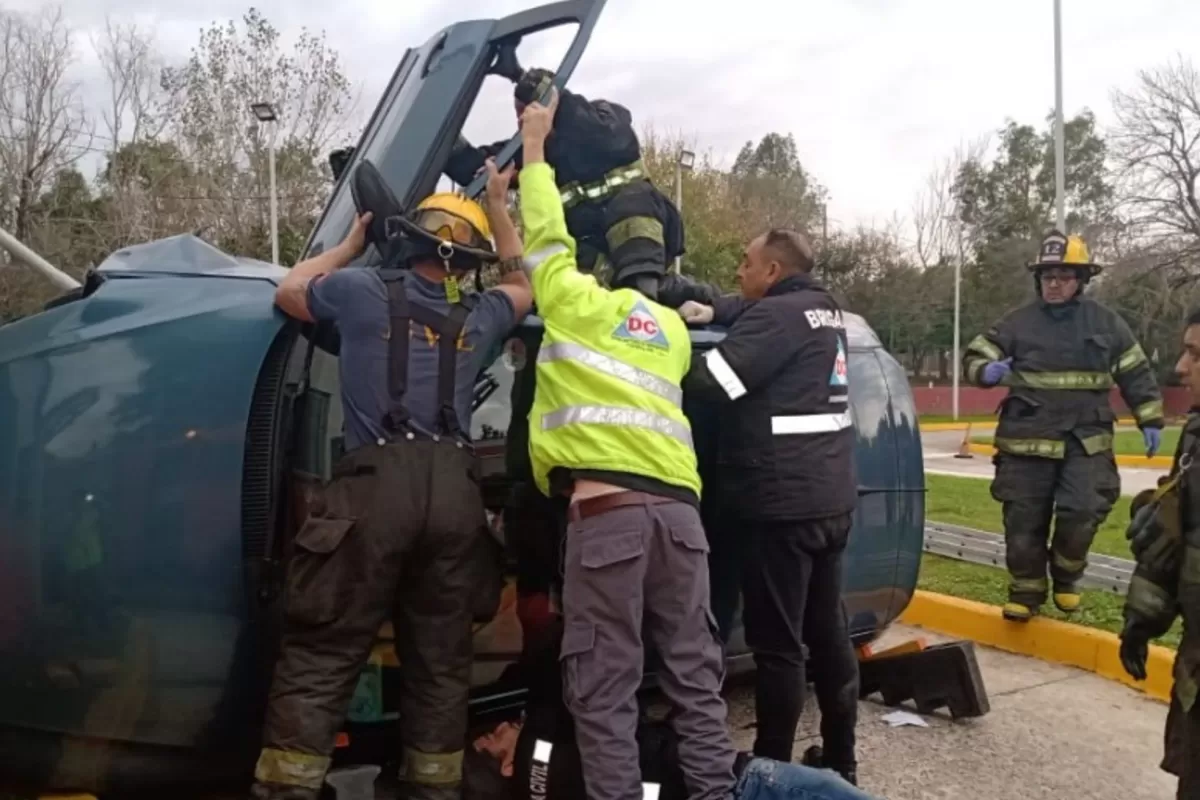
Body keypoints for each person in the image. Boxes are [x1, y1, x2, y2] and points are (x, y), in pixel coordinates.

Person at [249, 163, 534, 800]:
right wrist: (498, 202)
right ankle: (431, 791)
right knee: (440, 665)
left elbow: (290, 291)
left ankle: (287, 791)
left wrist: (350, 245)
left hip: (373, 488)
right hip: (456, 498)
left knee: (323, 655)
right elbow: (524, 284)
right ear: (464, 260)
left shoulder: (357, 292)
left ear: (410, 238)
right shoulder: (484, 313)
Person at [515, 88, 735, 800]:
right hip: (680, 525)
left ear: (595, 267)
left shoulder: (573, 306)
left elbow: (541, 238)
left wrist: (534, 148)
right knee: (695, 683)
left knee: (603, 691)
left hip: (607, 519)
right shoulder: (670, 334)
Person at [675, 230, 860, 784]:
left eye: (746, 261)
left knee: (778, 646)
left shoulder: (774, 321)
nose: (738, 269)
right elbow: (755, 309)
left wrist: (652, 355)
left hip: (779, 508)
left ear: (774, 271)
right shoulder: (824, 310)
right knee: (827, 634)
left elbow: (712, 384)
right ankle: (840, 759)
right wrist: (715, 309)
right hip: (830, 502)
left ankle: (772, 773)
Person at [962, 230, 1165, 622]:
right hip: (1026, 442)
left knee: (1083, 510)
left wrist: (1151, 417)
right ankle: (1026, 591)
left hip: (1085, 439)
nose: (1053, 284)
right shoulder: (1017, 322)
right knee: (1023, 521)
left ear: (1081, 279)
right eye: (1047, 276)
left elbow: (1135, 370)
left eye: (1063, 276)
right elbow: (975, 353)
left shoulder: (1106, 323)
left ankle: (1067, 575)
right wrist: (985, 370)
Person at [462, 616, 879, 800]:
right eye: (494, 736)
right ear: (506, 767)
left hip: (695, 787)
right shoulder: (542, 736)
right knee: (828, 791)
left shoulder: (540, 785)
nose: (501, 725)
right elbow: (558, 656)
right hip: (722, 783)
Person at [445, 67, 683, 301]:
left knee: (631, 203)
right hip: (595, 257)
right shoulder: (536, 149)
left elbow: (585, 125)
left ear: (551, 105)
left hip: (639, 247)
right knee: (549, 273)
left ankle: (645, 298)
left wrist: (528, 81)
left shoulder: (607, 124)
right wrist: (443, 136)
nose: (522, 119)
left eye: (527, 110)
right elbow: (480, 167)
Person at [1119, 309, 1200, 799]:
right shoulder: (1195, 439)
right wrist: (1139, 624)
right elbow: (1166, 545)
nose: (1181, 368)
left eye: (1196, 354)